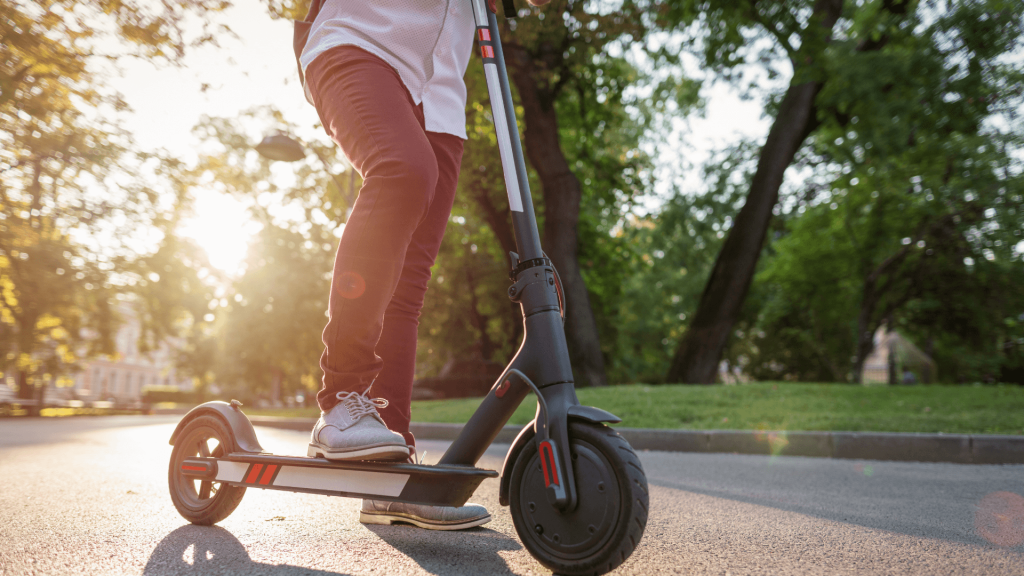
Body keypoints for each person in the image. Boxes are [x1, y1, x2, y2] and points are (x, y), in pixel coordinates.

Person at [296, 0, 548, 530]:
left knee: (409, 284)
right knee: (402, 172)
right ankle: (341, 398)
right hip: (360, 42)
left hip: (441, 96)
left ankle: (391, 475)